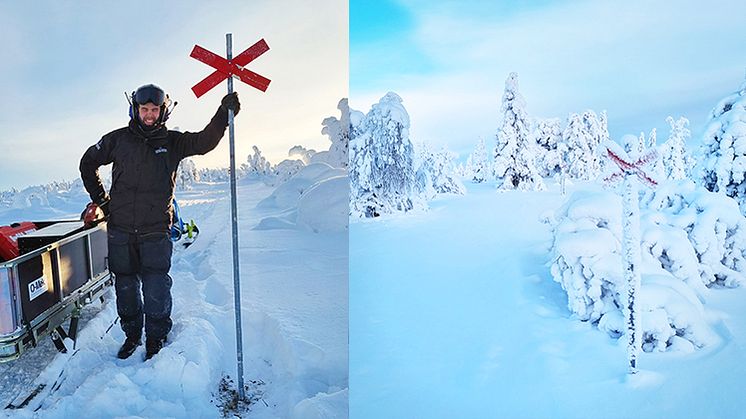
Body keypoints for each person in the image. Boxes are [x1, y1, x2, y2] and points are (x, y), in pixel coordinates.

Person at [79, 84, 240, 360]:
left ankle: (156, 337)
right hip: (121, 231)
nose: (149, 115)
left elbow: (204, 142)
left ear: (162, 111)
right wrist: (103, 201)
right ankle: (131, 336)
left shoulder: (172, 142)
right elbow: (87, 163)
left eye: (155, 110)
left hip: (155, 231)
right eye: (145, 109)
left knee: (155, 287)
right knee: (126, 287)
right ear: (135, 110)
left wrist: (222, 115)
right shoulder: (117, 140)